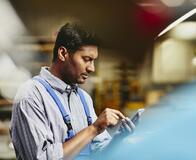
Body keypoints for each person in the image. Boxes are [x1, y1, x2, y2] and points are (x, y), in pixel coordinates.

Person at [10, 22, 136, 160]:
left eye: (93, 61)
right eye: (87, 59)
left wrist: (118, 139)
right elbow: (41, 157)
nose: (91, 68)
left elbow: (98, 148)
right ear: (63, 53)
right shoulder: (31, 95)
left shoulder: (83, 98)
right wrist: (94, 129)